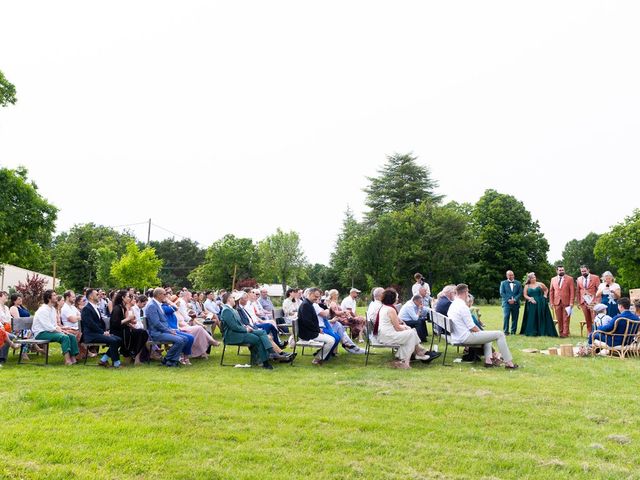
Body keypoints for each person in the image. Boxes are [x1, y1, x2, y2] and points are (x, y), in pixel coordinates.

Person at [448, 284, 518, 369]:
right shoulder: (463, 306)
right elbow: (472, 327)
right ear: (466, 292)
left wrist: (482, 333)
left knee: (487, 335)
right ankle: (509, 363)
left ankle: (488, 361)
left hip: (457, 335)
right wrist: (481, 332)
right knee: (500, 334)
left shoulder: (453, 304)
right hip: (464, 337)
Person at [374, 289, 435, 369]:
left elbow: (395, 326)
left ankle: (407, 360)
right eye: (396, 297)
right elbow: (398, 328)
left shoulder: (384, 307)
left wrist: (406, 328)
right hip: (388, 336)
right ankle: (417, 353)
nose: (397, 299)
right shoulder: (391, 309)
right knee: (411, 333)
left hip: (385, 334)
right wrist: (406, 328)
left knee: (410, 333)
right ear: (392, 298)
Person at [220, 291, 277, 369]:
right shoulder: (226, 310)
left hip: (239, 332)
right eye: (233, 298)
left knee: (262, 332)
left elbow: (239, 324)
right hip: (232, 335)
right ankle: (265, 361)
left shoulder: (231, 309)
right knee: (257, 339)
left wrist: (246, 327)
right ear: (229, 299)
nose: (235, 300)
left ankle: (269, 352)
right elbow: (234, 327)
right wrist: (246, 329)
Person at [33, 290, 80, 366]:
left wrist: (60, 329)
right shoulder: (43, 310)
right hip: (41, 333)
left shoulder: (52, 309)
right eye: (54, 295)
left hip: (49, 331)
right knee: (64, 337)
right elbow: (47, 326)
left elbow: (54, 324)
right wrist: (59, 331)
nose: (56, 296)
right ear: (49, 298)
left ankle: (73, 359)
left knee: (71, 336)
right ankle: (67, 360)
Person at [145, 288, 188, 367]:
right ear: (158, 295)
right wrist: (169, 331)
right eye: (164, 294)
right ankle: (171, 361)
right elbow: (156, 323)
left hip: (163, 331)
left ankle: (168, 360)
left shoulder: (158, 304)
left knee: (185, 338)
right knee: (180, 340)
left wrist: (170, 330)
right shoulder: (152, 306)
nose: (166, 296)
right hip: (157, 333)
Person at [81, 288, 123, 368]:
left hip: (97, 333)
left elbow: (100, 323)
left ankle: (103, 360)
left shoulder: (95, 307)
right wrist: (102, 332)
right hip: (91, 335)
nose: (99, 295)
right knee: (114, 341)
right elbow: (91, 324)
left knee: (119, 339)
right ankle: (117, 363)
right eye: (96, 294)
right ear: (90, 297)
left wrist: (105, 331)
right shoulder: (86, 309)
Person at [297, 288, 336, 365]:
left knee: (332, 339)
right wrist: (318, 330)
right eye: (315, 296)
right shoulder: (305, 305)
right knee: (331, 341)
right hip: (307, 334)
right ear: (310, 294)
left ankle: (319, 357)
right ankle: (317, 359)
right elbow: (307, 322)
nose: (317, 298)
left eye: (318, 297)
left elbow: (310, 322)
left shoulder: (308, 304)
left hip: (310, 331)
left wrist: (318, 330)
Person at [110, 290, 149, 365]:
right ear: (122, 298)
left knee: (142, 333)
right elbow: (115, 324)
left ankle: (134, 354)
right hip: (118, 332)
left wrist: (130, 322)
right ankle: (129, 354)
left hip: (125, 329)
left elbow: (124, 322)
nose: (130, 298)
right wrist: (128, 319)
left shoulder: (123, 308)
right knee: (137, 334)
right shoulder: (117, 308)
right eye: (128, 296)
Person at [174, 293, 218, 358]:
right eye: (191, 296)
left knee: (204, 328)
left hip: (189, 324)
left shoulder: (180, 310)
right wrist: (194, 318)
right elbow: (184, 320)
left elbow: (190, 316)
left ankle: (204, 350)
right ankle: (210, 341)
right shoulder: (176, 311)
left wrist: (194, 318)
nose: (192, 297)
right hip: (184, 327)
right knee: (200, 329)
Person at [520, 272, 557, 337]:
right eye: (533, 277)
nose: (534, 278)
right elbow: (525, 295)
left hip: (541, 303)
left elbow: (546, 289)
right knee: (532, 317)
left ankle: (543, 331)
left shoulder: (540, 284)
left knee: (541, 316)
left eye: (535, 277)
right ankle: (533, 331)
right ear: (530, 279)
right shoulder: (527, 286)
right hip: (532, 304)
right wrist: (530, 299)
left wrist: (545, 295)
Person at [59, 290, 87, 359]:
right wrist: (77, 317)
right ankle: (77, 354)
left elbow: (82, 316)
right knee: (80, 333)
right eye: (73, 297)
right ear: (68, 297)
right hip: (69, 329)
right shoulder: (65, 308)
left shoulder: (73, 307)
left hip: (76, 328)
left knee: (85, 332)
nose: (75, 298)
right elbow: (73, 320)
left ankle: (83, 353)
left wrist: (77, 317)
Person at [549, 265, 575, 338]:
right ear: (557, 271)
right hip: (556, 302)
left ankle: (565, 334)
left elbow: (572, 291)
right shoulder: (553, 279)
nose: (561, 271)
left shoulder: (570, 279)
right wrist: (551, 302)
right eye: (560, 270)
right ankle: (561, 333)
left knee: (566, 319)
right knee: (559, 319)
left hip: (567, 302)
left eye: (563, 270)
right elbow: (551, 291)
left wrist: (571, 302)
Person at [0, 290, 24, 365]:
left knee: (8, 335)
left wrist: (12, 324)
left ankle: (2, 358)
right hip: (3, 327)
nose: (7, 296)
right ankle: (3, 358)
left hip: (8, 327)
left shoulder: (6, 308)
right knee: (9, 336)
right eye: (5, 295)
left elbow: (10, 318)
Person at [575, 265, 600, 334]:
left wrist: (598, 301)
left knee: (594, 318)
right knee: (587, 319)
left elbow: (599, 290)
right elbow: (578, 291)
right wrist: (578, 302)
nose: (583, 272)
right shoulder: (579, 279)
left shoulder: (595, 277)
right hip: (583, 302)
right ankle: (589, 333)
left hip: (593, 302)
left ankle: (596, 332)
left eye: (585, 271)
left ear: (588, 270)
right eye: (582, 271)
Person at [499, 270, 522, 335]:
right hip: (506, 304)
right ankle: (506, 331)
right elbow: (502, 293)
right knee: (506, 317)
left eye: (512, 275)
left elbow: (520, 293)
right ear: (507, 275)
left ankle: (513, 331)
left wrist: (514, 299)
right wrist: (508, 300)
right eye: (509, 275)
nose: (511, 276)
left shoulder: (518, 283)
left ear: (513, 275)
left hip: (516, 303)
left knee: (515, 318)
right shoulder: (503, 283)